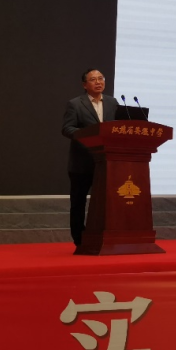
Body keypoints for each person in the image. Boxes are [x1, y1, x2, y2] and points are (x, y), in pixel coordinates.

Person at [61, 68, 118, 247]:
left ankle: (104, 234)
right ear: (85, 85)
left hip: (106, 162)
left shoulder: (112, 102)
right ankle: (79, 239)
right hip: (82, 162)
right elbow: (67, 129)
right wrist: (89, 135)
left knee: (106, 202)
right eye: (93, 79)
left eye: (101, 78)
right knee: (78, 202)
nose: (98, 82)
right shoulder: (75, 104)